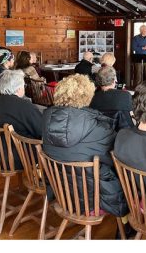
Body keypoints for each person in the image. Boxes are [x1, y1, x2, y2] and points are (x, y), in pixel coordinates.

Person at [41, 74, 127, 222]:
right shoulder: (98, 128)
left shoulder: (46, 120)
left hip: (61, 193)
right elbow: (118, 158)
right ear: (88, 95)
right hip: (94, 199)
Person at [0, 69, 45, 140]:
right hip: (23, 149)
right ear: (18, 89)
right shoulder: (24, 106)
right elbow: (42, 130)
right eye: (24, 85)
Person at [91, 65, 133, 130]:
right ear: (114, 80)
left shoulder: (92, 97)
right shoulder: (125, 95)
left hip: (99, 133)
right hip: (122, 134)